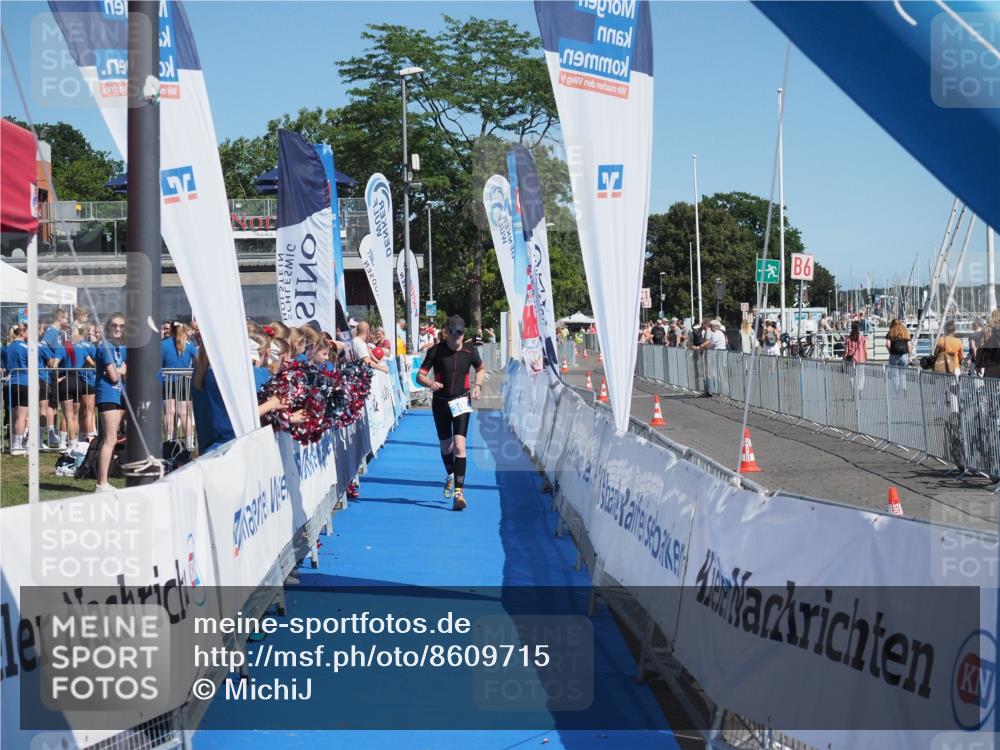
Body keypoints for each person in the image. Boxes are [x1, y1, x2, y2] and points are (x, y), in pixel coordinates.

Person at [416, 315, 486, 511]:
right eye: (455, 334)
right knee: (446, 447)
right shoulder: (435, 351)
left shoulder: (469, 350)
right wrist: (430, 383)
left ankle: (459, 493)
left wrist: (478, 385)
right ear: (447, 332)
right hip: (441, 403)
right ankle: (450, 474)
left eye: (461, 334)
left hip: (462, 401)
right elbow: (419, 375)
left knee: (459, 445)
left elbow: (481, 368)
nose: (458, 338)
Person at [94, 313, 127, 492]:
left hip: (118, 394)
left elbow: (124, 371)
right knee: (109, 439)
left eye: (121, 326)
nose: (118, 329)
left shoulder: (120, 348)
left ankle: (103, 481)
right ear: (108, 327)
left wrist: (120, 371)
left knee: (112, 438)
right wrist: (119, 371)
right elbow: (114, 376)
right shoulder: (104, 347)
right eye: (115, 325)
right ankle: (101, 483)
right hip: (107, 394)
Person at [162, 322, 197, 442]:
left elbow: (158, 362)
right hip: (184, 380)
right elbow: (198, 359)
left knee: (169, 413)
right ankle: (189, 443)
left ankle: (170, 442)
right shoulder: (189, 344)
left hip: (168, 380)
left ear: (171, 330)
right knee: (184, 413)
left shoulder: (164, 344)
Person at [975, 309, 1000, 378]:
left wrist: (978, 365)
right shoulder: (989, 331)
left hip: (992, 367)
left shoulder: (987, 331)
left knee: (992, 387)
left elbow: (980, 349)